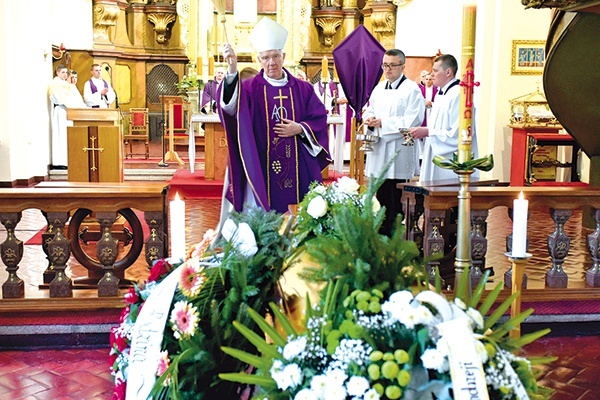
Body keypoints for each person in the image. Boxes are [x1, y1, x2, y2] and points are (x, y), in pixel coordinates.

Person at [218, 17, 330, 215]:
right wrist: (232, 69)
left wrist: (301, 128)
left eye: (276, 56)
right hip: (262, 163)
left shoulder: (302, 89)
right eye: (266, 57)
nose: (271, 62)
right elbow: (231, 109)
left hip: (297, 165)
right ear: (259, 60)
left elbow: (319, 117)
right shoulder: (250, 89)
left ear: (283, 56)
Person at [363, 49, 425, 236]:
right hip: (379, 149)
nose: (387, 69)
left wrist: (384, 123)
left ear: (402, 67)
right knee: (381, 192)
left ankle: (396, 231)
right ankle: (382, 230)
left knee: (396, 196)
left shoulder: (412, 89)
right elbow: (369, 109)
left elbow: (413, 120)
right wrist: (370, 119)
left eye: (392, 65)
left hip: (399, 150)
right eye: (385, 65)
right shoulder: (379, 88)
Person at [410, 54, 479, 182]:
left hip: (450, 166)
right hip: (436, 155)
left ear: (448, 72)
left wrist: (428, 132)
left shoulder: (459, 95)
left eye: (435, 71)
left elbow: (459, 134)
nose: (431, 75)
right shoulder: (442, 94)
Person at [48, 64, 87, 169]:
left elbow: (74, 98)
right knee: (61, 135)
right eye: (63, 72)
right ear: (57, 73)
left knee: (67, 136)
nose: (65, 75)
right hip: (61, 111)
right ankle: (60, 161)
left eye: (66, 72)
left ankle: (67, 160)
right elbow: (61, 98)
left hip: (68, 111)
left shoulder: (66, 84)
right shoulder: (56, 83)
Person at [313, 77, 350, 173]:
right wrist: (335, 101)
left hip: (344, 113)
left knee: (344, 135)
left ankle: (345, 157)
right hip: (332, 113)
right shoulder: (320, 86)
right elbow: (324, 100)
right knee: (333, 136)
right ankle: (332, 156)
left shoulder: (343, 85)